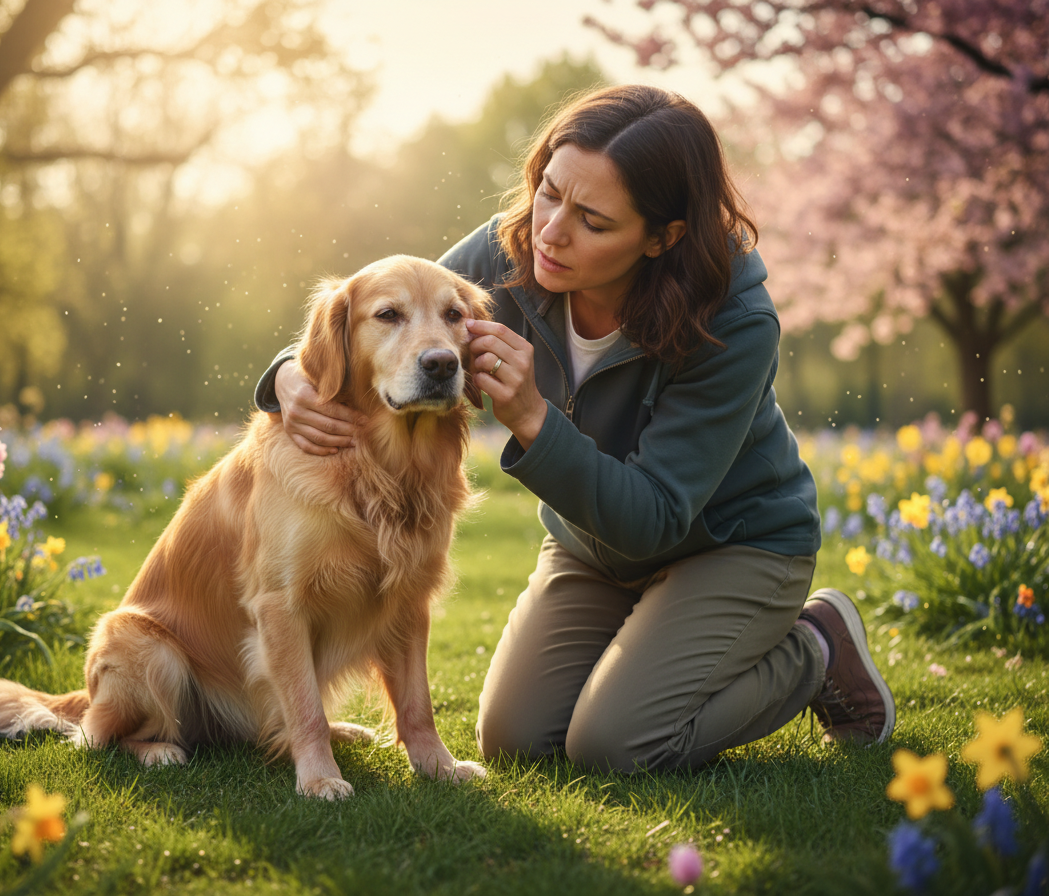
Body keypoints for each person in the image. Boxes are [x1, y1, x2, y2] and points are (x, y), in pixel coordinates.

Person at [253, 84, 894, 772]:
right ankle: (650, 643)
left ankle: (818, 647)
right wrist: (289, 373)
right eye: (549, 193)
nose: (551, 231)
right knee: (515, 741)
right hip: (593, 549)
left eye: (592, 220)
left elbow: (654, 517)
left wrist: (532, 416)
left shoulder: (734, 321)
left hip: (731, 545)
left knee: (616, 743)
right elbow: (389, 301)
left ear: (662, 237)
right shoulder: (515, 248)